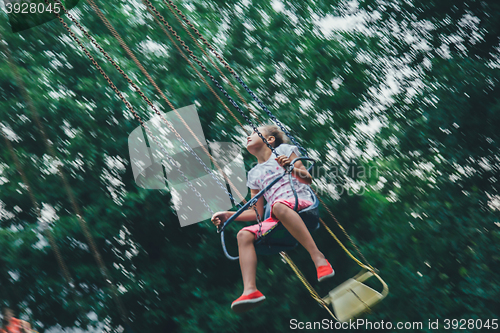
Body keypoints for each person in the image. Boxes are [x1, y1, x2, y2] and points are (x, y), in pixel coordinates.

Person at [211, 124, 334, 313]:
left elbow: (307, 178)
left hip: (300, 202)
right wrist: (228, 216)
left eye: (253, 133)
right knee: (244, 235)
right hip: (278, 214)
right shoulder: (253, 174)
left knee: (277, 205)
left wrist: (291, 168)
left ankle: (318, 257)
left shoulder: (283, 151)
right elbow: (258, 214)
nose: (248, 137)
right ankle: (250, 290)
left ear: (269, 140)